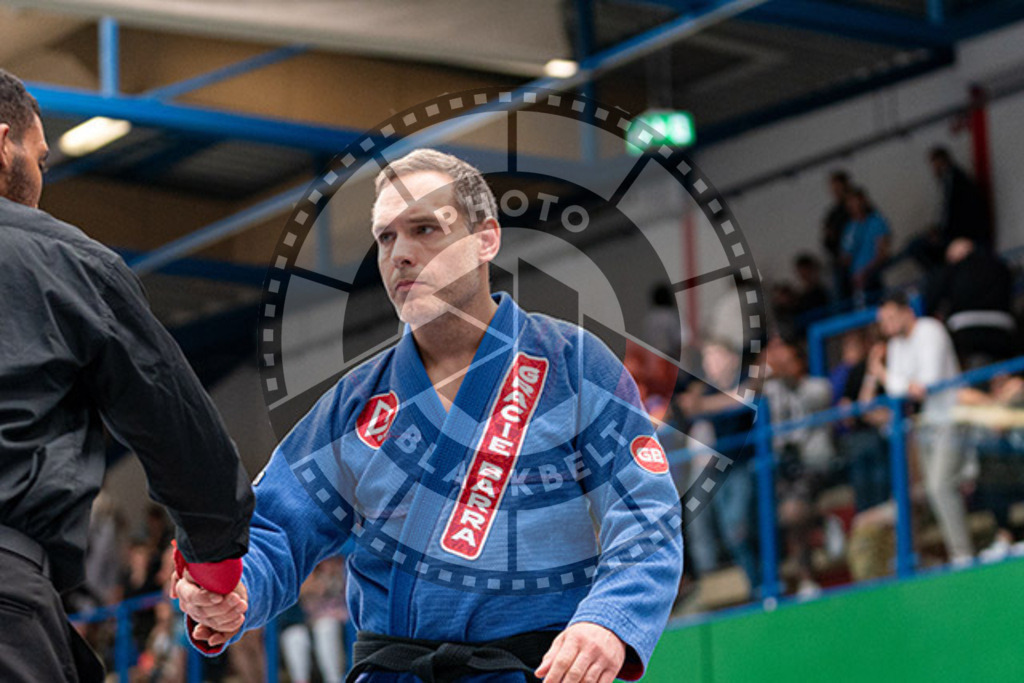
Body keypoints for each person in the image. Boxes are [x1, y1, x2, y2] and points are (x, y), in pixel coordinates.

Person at [173, 149, 683, 682]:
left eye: (424, 229)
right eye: (386, 237)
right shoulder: (357, 404)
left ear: (486, 238)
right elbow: (276, 525)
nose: (401, 255)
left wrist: (607, 620)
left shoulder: (569, 364)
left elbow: (646, 512)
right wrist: (235, 590)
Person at [0, 69, 254, 682]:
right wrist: (215, 568)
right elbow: (179, 434)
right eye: (39, 161)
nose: (40, 183)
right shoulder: (66, 263)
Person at [869, 292, 972, 563]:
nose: (887, 326)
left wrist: (882, 372)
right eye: (883, 321)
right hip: (927, 426)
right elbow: (898, 391)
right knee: (931, 491)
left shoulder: (930, 330)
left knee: (940, 487)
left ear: (907, 312)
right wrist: (898, 382)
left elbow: (924, 385)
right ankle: (944, 554)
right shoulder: (895, 346)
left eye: (891, 317)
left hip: (952, 418)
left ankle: (963, 556)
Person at [923, 238, 1016, 369]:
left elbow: (932, 299)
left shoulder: (952, 269)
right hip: (1004, 330)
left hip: (966, 332)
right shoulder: (1001, 265)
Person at [929, 147, 991, 249]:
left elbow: (950, 209)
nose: (933, 168)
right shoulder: (953, 178)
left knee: (917, 246)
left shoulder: (955, 181)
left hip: (966, 232)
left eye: (934, 164)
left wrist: (940, 230)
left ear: (941, 162)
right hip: (966, 231)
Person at [839, 188, 891, 306]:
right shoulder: (850, 228)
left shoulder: (877, 221)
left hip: (873, 274)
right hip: (855, 281)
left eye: (855, 201)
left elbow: (883, 253)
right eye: (849, 202)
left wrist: (866, 271)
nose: (853, 205)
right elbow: (845, 256)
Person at [822, 170, 852, 302]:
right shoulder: (832, 214)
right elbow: (827, 240)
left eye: (838, 187)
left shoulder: (857, 207)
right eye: (833, 188)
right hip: (839, 261)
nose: (835, 191)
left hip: (858, 259)